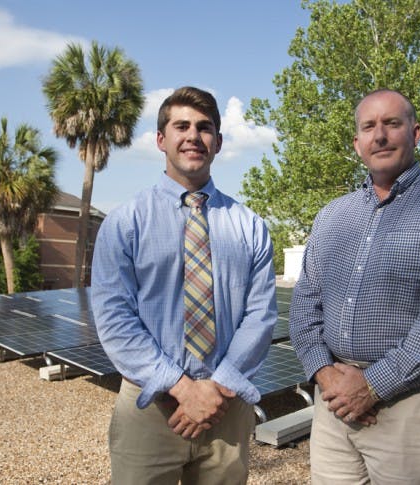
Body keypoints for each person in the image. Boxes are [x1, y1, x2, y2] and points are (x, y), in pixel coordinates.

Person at [289, 88, 420, 484]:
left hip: (408, 404)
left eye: (392, 123)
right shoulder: (332, 216)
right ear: (357, 143)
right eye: (369, 126)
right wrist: (326, 376)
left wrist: (372, 385)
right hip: (332, 405)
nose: (379, 135)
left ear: (415, 134)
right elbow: (305, 304)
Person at [91, 86, 277, 485]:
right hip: (150, 409)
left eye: (205, 127)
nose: (193, 136)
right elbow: (114, 318)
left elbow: (260, 316)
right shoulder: (125, 223)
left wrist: (217, 389)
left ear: (219, 142)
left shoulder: (250, 227)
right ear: (161, 139)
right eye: (181, 126)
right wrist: (181, 388)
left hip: (227, 412)